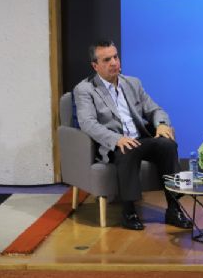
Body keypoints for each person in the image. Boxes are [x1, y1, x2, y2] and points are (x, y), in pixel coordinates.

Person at [73, 40, 193, 231]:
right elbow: (87, 123)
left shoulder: (132, 83)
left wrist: (161, 125)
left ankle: (173, 208)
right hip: (115, 144)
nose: (114, 62)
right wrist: (116, 139)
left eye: (115, 57)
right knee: (127, 149)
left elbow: (155, 109)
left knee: (168, 145)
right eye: (107, 60)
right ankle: (128, 211)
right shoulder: (85, 90)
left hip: (141, 138)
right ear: (95, 66)